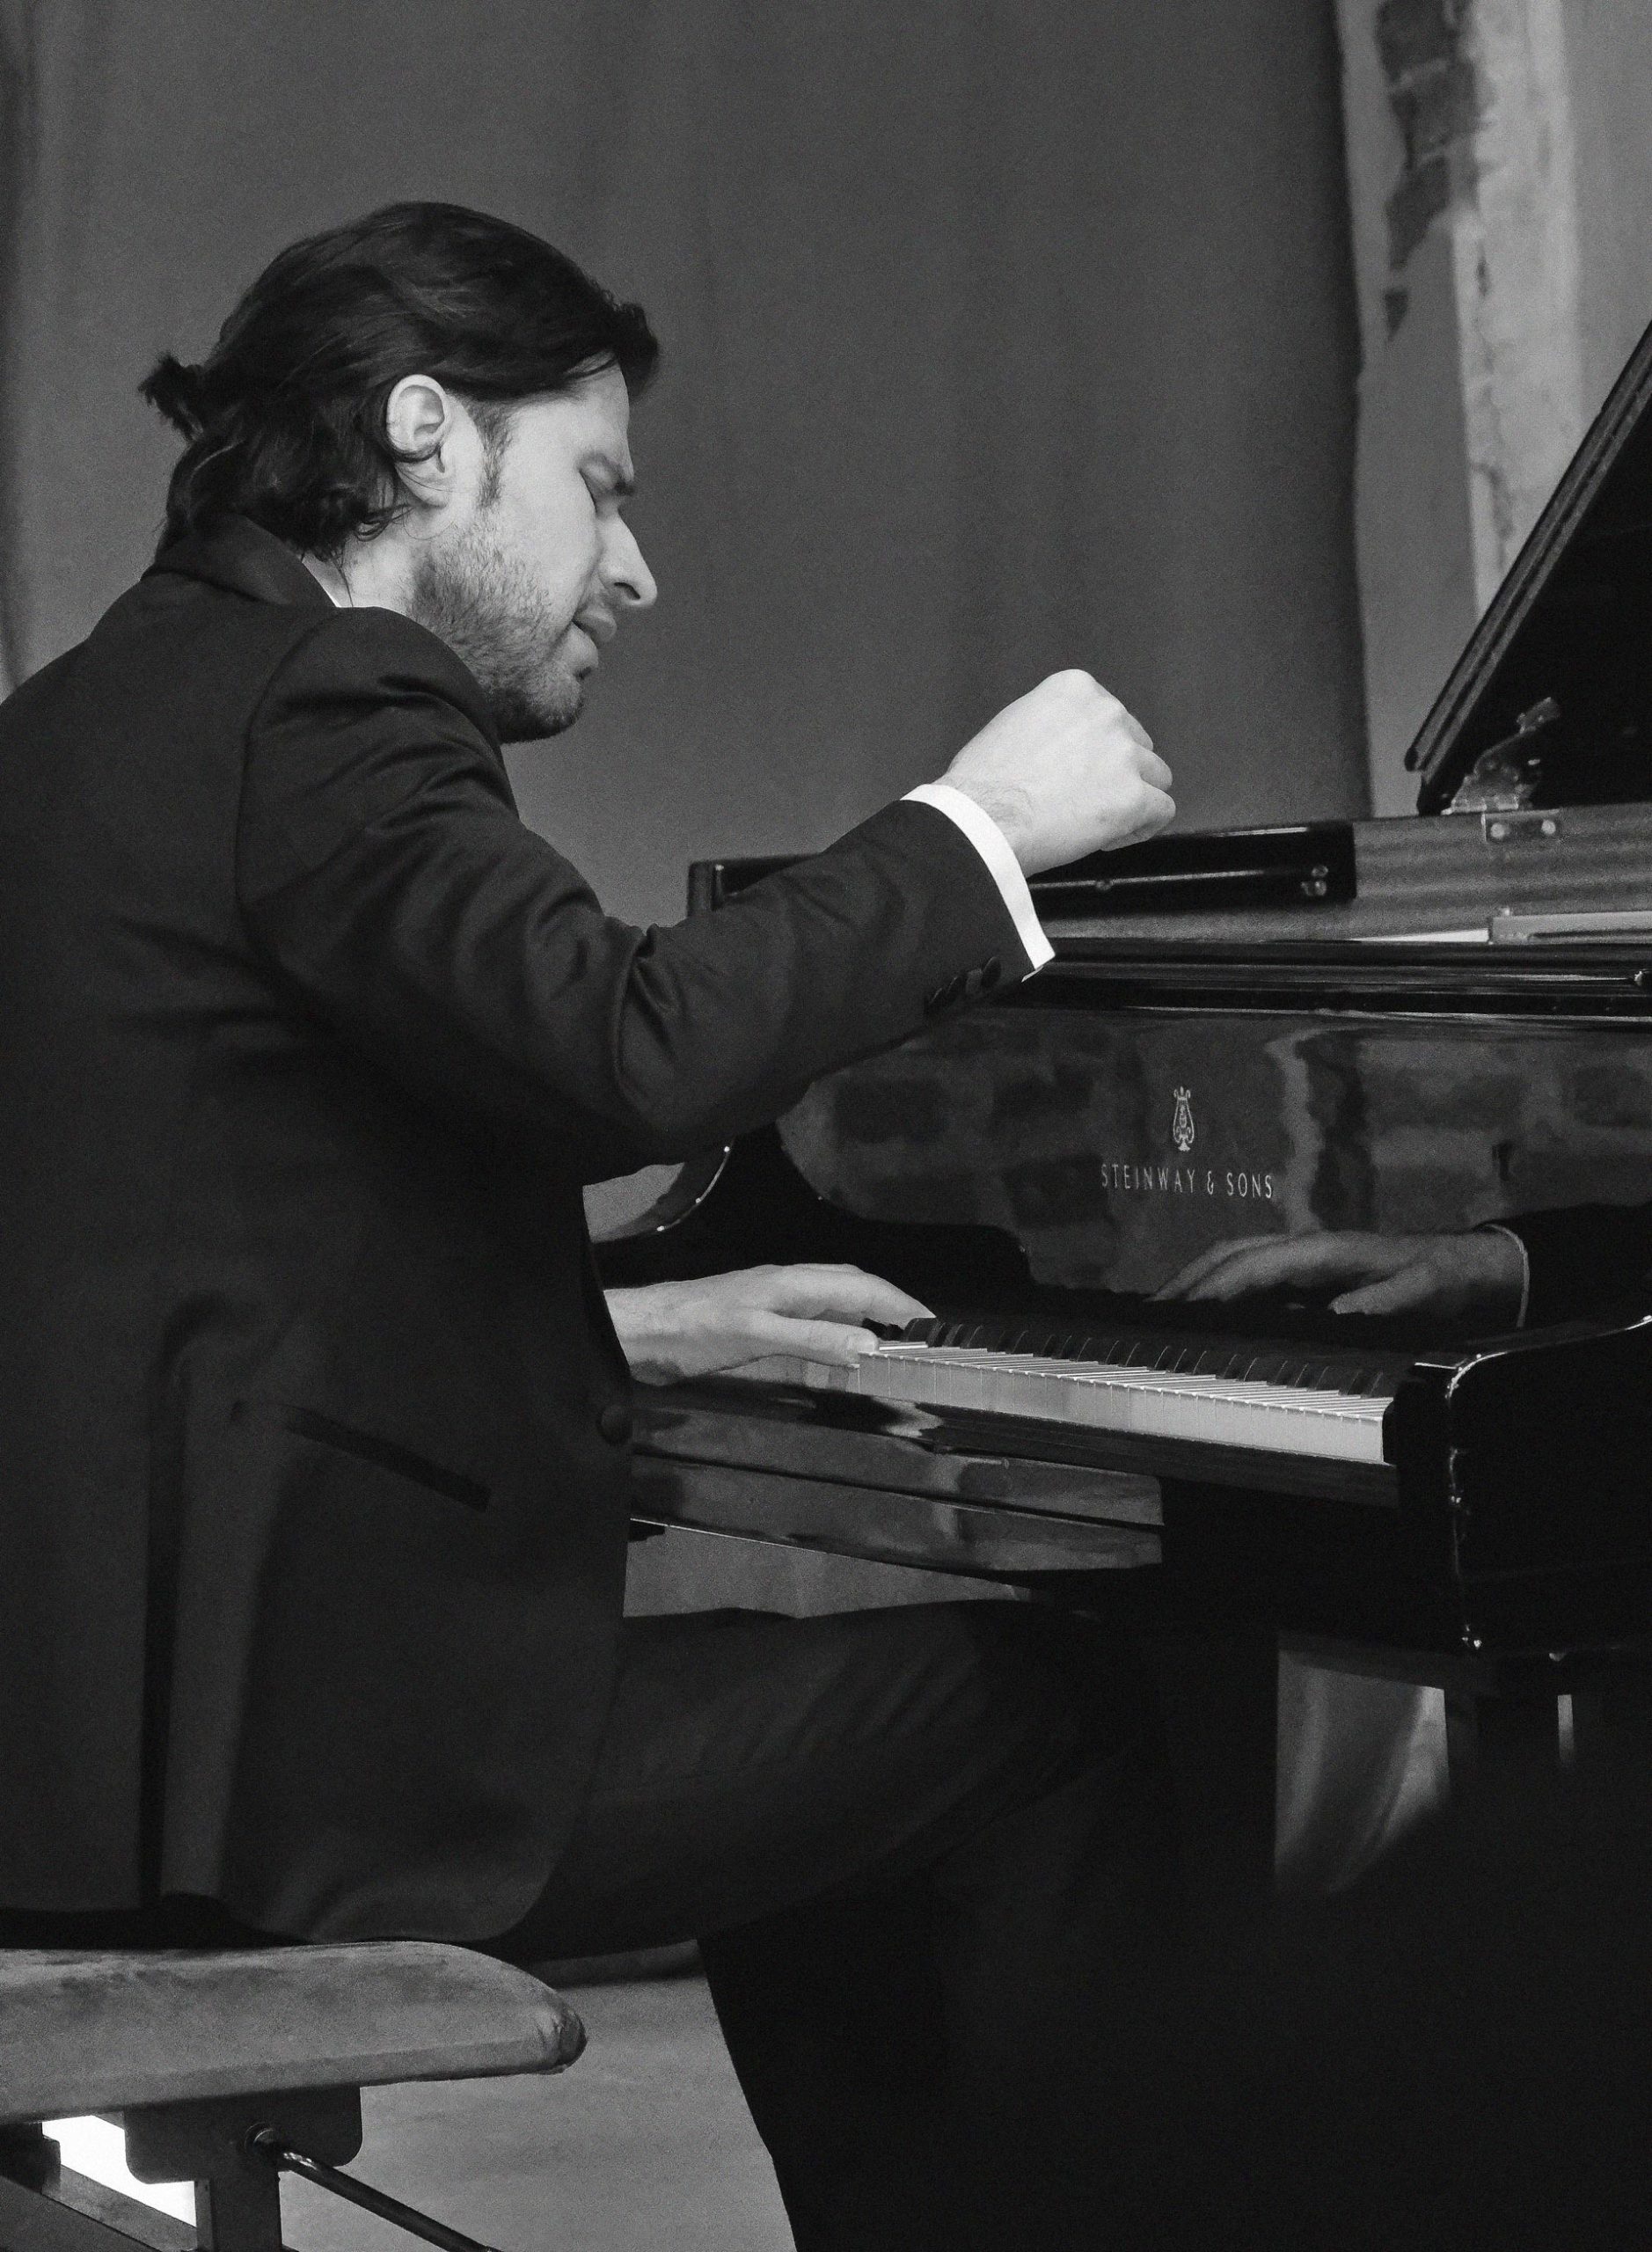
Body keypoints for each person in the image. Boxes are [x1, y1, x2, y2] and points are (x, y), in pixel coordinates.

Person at [0, 202, 1178, 2248]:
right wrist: (976, 828)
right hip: (287, 1800)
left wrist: (630, 1331)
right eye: (600, 484)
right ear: (427, 432)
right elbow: (627, 1045)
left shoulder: (91, 712)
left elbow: (189, 1253)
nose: (635, 566)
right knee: (1037, 1718)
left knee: (833, 1769)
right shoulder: (328, 703)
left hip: (89, 1763)